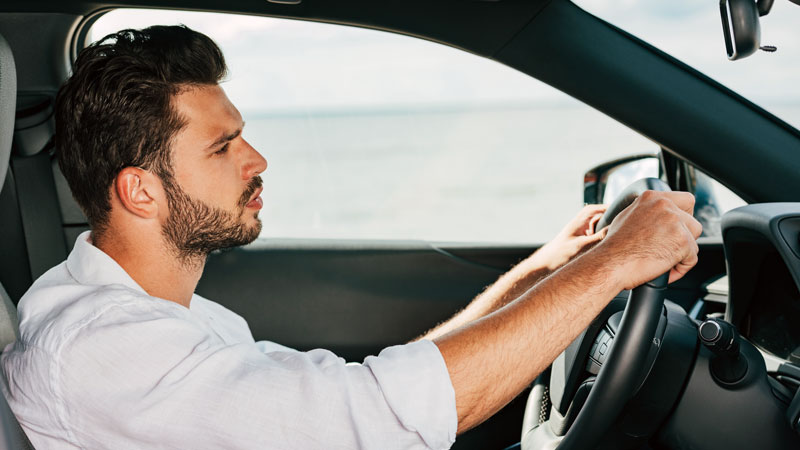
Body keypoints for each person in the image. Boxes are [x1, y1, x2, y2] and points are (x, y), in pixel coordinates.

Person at [0, 25, 701, 450]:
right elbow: (377, 417)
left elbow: (356, 397)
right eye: (223, 147)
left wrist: (541, 274)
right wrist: (613, 264)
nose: (257, 160)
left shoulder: (150, 316)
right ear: (140, 191)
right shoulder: (106, 351)